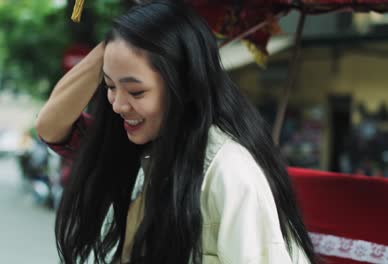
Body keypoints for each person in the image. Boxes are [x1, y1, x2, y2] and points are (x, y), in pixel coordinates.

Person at [36, 1, 316, 263]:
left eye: (136, 91)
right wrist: (124, 36)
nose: (118, 105)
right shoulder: (139, 143)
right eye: (109, 86)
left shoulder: (228, 172)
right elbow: (51, 127)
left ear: (184, 84)